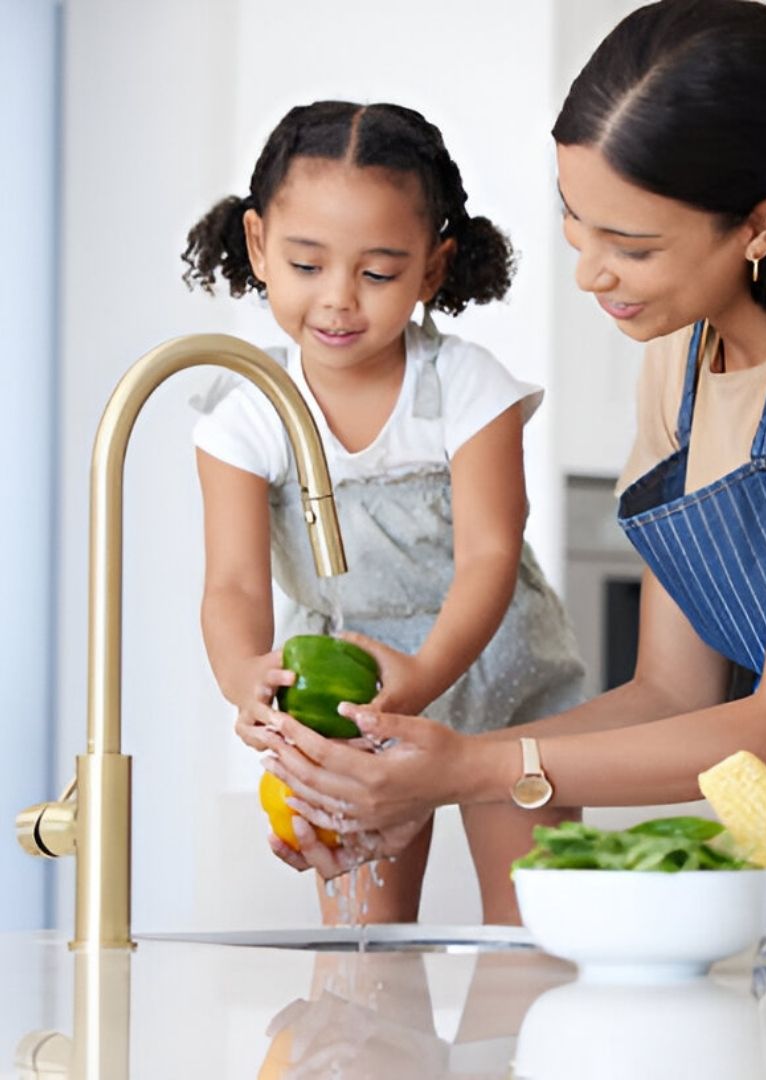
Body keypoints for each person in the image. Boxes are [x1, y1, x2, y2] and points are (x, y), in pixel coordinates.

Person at [249, 0, 766, 878]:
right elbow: (669, 695)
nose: (590, 271)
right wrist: (414, 771)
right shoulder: (684, 352)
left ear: (758, 224)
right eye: (578, 220)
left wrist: (474, 769)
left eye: (632, 245)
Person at [183, 100, 585, 924]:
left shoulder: (467, 388)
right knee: (365, 949)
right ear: (259, 245)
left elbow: (489, 558)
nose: (337, 301)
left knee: (531, 931)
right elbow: (231, 582)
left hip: (498, 674)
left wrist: (426, 676)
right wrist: (241, 679)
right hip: (347, 697)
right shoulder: (248, 408)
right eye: (306, 265)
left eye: (376, 273)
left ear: (432, 270)